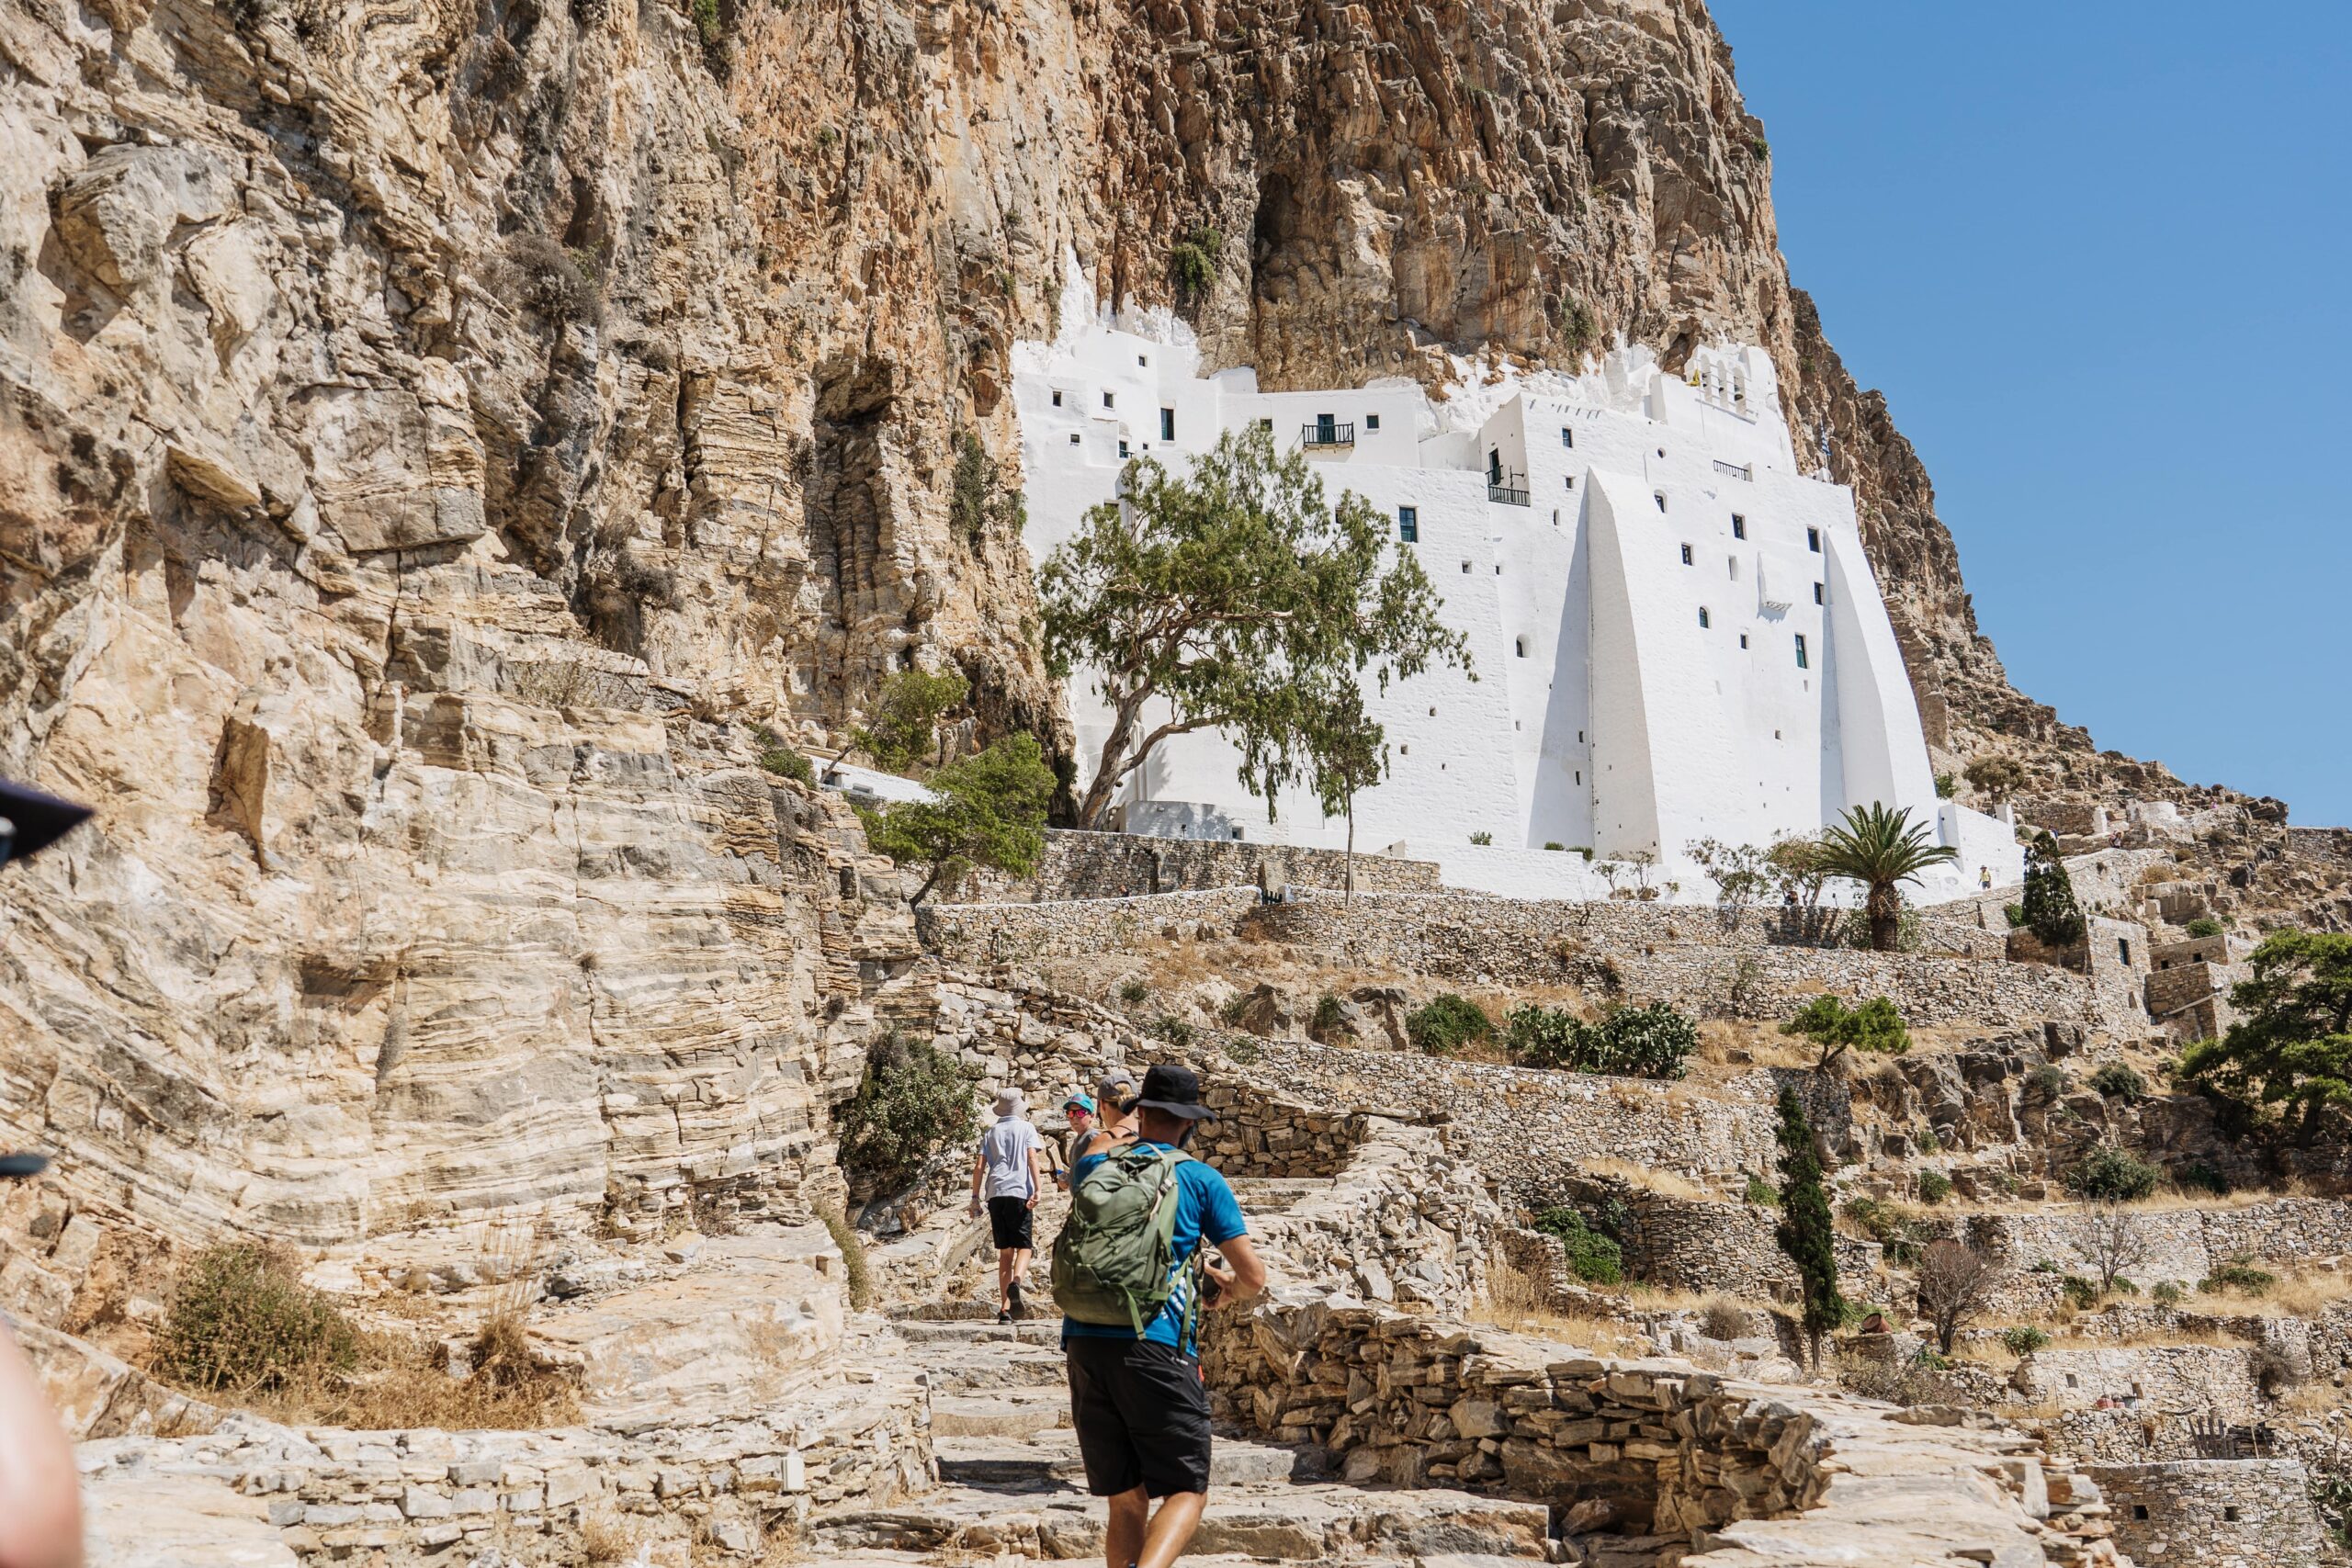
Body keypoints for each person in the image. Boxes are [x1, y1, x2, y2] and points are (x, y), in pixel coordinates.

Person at [1060, 1065, 1267, 1568]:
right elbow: (1253, 1277)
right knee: (1187, 1490)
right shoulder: (1198, 1178)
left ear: (1141, 1112)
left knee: (1126, 1496)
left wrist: (1119, 1132)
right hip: (1154, 1342)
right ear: (1190, 1124)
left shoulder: (1095, 1167)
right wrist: (1225, 1289)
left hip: (1084, 1341)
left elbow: (1086, 1164)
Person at [969, 1089, 1047, 1322]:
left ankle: (1004, 1310)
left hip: (995, 1194)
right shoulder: (1026, 1128)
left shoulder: (991, 1132)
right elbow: (1032, 1157)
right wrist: (1038, 1188)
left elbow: (979, 1167)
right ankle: (1016, 1283)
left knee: (1005, 1253)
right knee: (1025, 1246)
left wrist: (974, 1197)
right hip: (1019, 1192)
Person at [1055, 1092, 1099, 1190]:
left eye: (1081, 1113)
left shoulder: (1092, 1137)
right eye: (1070, 1113)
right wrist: (1068, 1179)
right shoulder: (1079, 1139)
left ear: (1091, 1115)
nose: (1075, 1117)